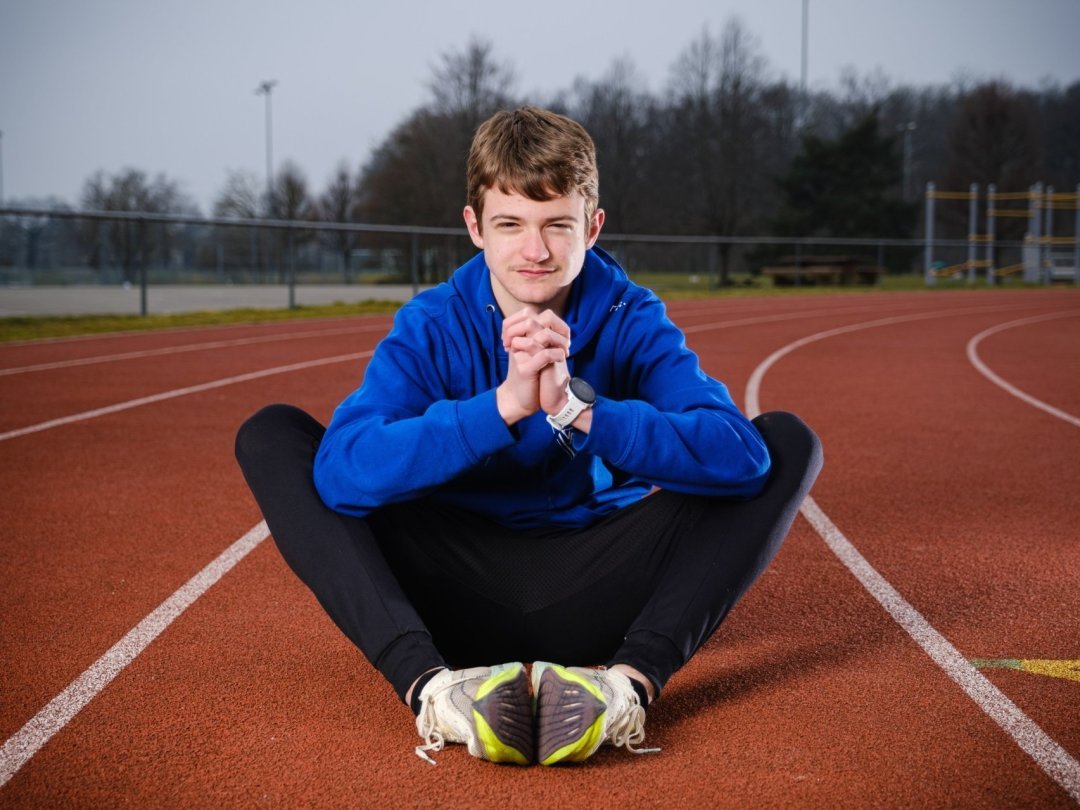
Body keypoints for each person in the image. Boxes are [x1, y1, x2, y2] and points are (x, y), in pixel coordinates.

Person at [235, 105, 821, 767]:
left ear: (592, 228)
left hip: (601, 584)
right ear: (474, 228)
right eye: (510, 224)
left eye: (556, 225)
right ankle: (435, 691)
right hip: (453, 593)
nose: (535, 251)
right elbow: (344, 472)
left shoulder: (631, 317)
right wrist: (503, 406)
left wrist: (581, 410)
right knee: (272, 435)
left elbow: (739, 458)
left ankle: (624, 688)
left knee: (785, 440)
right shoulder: (433, 324)